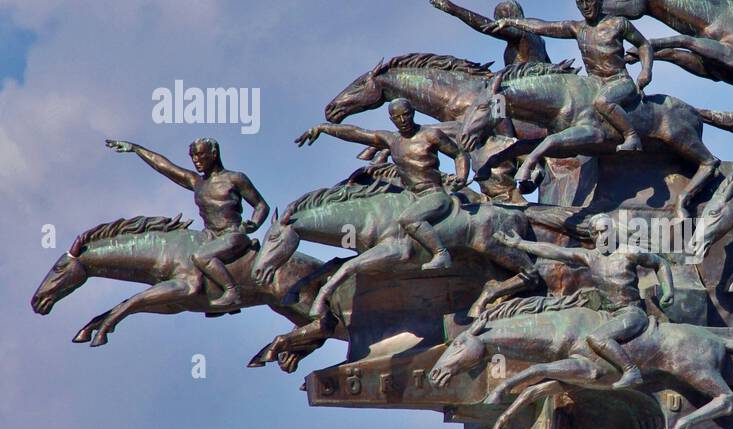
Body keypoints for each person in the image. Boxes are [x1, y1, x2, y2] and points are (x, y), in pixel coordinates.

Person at [492, 213, 674, 389]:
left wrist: (668, 290)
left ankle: (631, 371)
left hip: (631, 313)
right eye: (596, 233)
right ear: (592, 237)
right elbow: (556, 251)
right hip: (606, 314)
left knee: (597, 337)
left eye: (605, 230)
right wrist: (521, 243)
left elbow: (660, 263)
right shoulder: (590, 257)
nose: (602, 236)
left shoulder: (630, 252)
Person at [296, 98, 470, 270]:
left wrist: (461, 176)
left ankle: (441, 253)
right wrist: (323, 128)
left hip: (433, 195)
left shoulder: (431, 135)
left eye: (406, 115)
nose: (403, 121)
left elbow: (459, 154)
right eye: (397, 117)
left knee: (408, 219)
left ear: (413, 113)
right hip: (409, 196)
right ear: (391, 119)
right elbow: (356, 133)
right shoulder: (391, 140)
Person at [105, 136, 268, 308]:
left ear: (213, 153)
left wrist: (253, 224)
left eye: (199, 155)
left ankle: (232, 291)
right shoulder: (196, 181)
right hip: (209, 237)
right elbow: (164, 166)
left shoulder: (235, 179)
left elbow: (261, 205)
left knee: (201, 256)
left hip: (233, 235)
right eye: (192, 157)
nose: (196, 161)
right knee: (185, 263)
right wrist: (136, 148)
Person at [487, 0, 653, 151]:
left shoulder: (619, 23)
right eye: (581, 3)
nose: (585, 6)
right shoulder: (577, 28)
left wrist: (646, 70)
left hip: (618, 80)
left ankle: (632, 136)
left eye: (589, 1)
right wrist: (511, 21)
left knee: (602, 101)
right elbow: (543, 26)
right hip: (594, 83)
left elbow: (643, 44)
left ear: (600, 1)